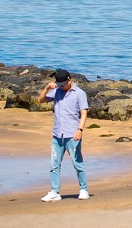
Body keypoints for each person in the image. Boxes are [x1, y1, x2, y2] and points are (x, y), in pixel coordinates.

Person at [38, 69, 90, 202]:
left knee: (77, 163)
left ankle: (83, 189)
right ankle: (54, 191)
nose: (61, 87)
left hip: (72, 134)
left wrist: (80, 130)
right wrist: (47, 88)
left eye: (63, 85)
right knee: (54, 164)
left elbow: (84, 113)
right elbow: (41, 100)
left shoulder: (80, 94)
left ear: (69, 81)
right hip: (57, 134)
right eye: (59, 85)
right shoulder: (57, 91)